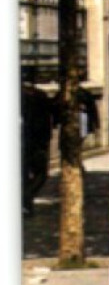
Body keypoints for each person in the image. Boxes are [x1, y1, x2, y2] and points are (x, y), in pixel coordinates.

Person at [22, 82, 56, 215]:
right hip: (37, 140)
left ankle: (26, 204)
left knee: (24, 175)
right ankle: (26, 198)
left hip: (24, 140)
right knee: (41, 173)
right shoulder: (40, 95)